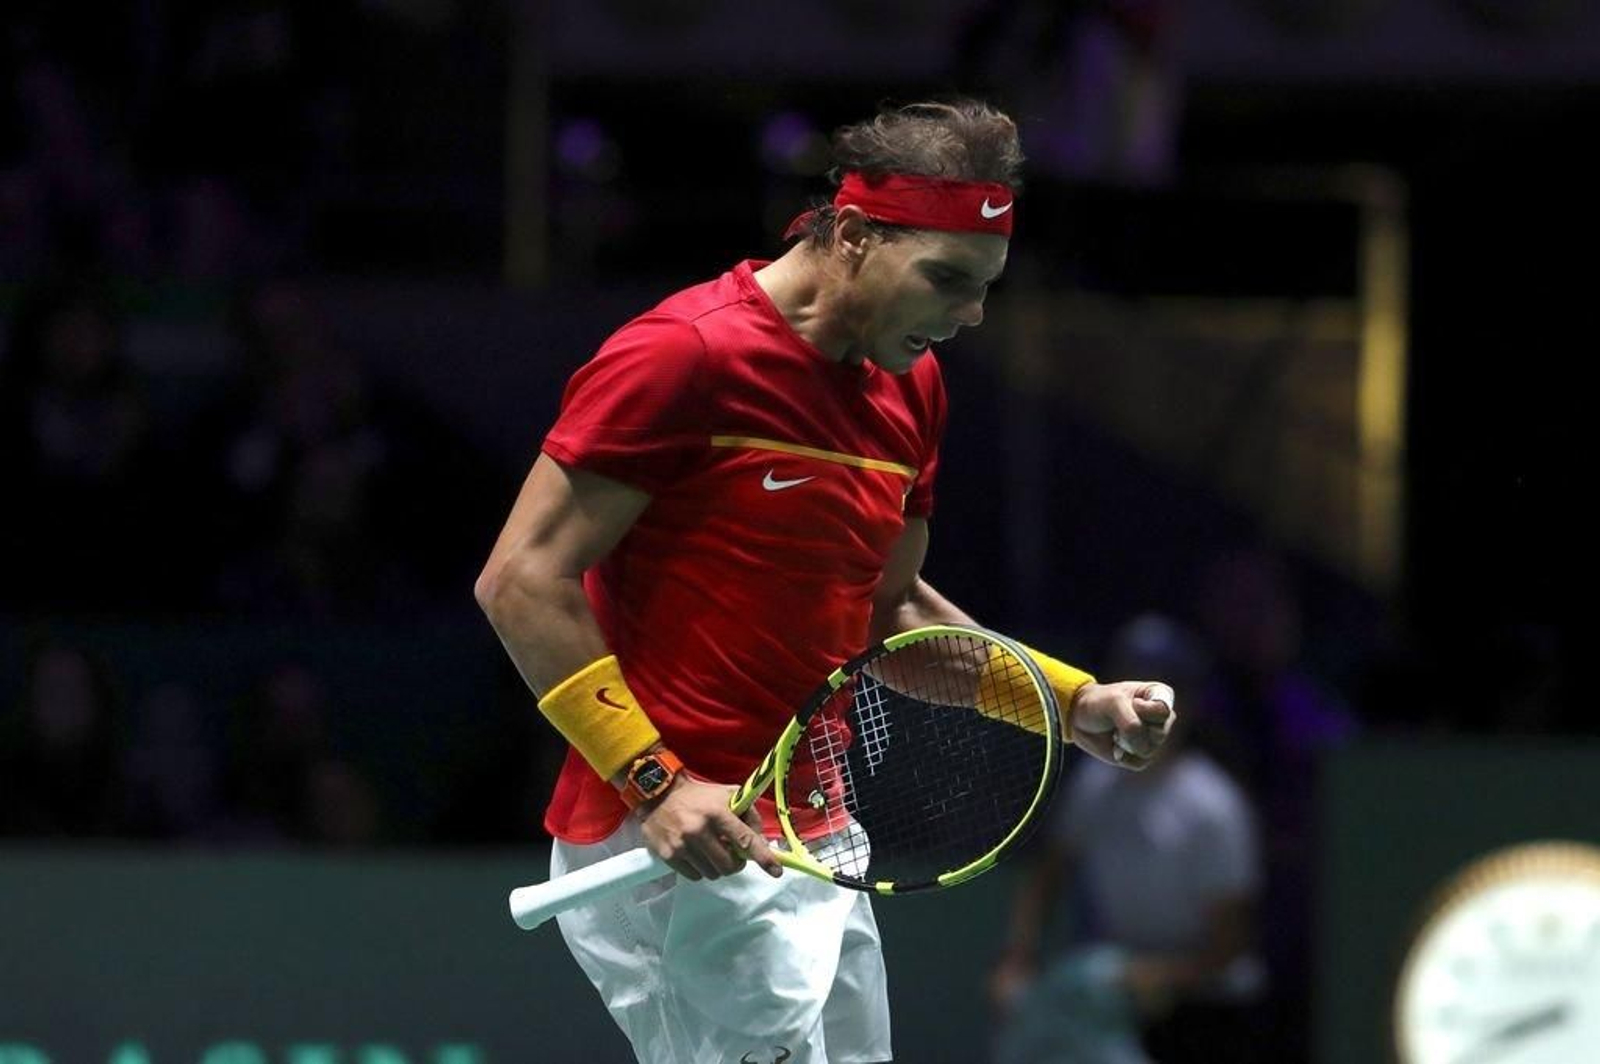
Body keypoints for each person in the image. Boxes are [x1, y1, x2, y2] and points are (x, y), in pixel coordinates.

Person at [475, 98, 1177, 1064]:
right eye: (946, 281)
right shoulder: (685, 356)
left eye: (984, 289)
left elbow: (891, 615)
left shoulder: (910, 386)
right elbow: (521, 580)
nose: (968, 315)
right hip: (681, 838)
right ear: (851, 234)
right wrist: (657, 783)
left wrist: (1070, 701)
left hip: (817, 836)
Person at [990, 614, 1265, 1064]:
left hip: (1210, 1007)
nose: (1139, 710)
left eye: (1161, 692)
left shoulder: (1214, 806)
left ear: (1189, 704)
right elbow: (1048, 877)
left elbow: (1231, 943)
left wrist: (1154, 976)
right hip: (1120, 993)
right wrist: (1016, 961)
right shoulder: (1095, 785)